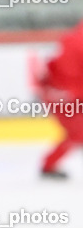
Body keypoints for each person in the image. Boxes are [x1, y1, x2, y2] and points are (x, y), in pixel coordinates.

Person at [38, 20, 83, 179]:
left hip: (63, 94)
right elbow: (67, 74)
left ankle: (49, 165)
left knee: (78, 133)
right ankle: (48, 165)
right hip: (64, 96)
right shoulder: (76, 42)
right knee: (78, 133)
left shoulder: (72, 39)